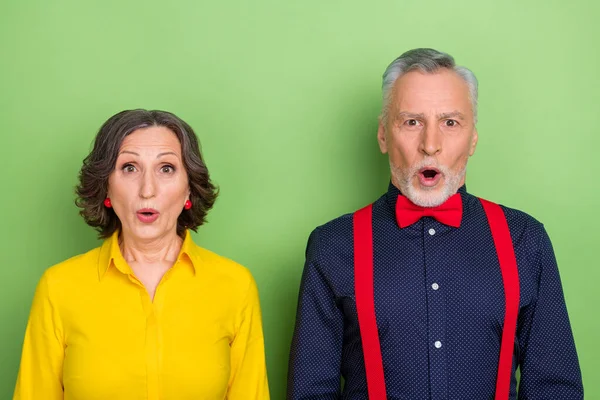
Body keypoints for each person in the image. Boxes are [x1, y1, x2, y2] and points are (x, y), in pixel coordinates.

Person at [287, 48, 583, 399]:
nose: (430, 145)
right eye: (411, 122)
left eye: (450, 122)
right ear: (383, 135)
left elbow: (555, 388)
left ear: (472, 138)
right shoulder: (333, 246)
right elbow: (310, 391)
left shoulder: (525, 240)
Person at [14, 109, 270, 400]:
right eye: (129, 168)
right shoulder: (58, 288)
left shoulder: (235, 286)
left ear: (189, 190)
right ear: (106, 186)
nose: (148, 190)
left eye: (166, 168)